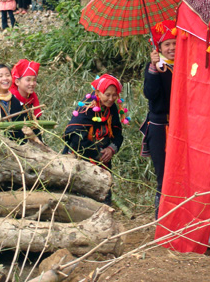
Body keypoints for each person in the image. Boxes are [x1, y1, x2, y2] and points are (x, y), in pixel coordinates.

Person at [63, 74, 127, 204]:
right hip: (81, 159)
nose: (110, 99)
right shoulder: (86, 108)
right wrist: (97, 153)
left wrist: (111, 149)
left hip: (103, 160)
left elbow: (117, 134)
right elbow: (75, 136)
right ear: (98, 92)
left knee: (103, 197)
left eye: (114, 95)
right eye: (107, 94)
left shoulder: (112, 108)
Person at [141, 21, 176, 218]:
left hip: (181, 126)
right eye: (166, 44)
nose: (171, 48)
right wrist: (154, 66)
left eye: (174, 43)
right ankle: (161, 216)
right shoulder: (155, 67)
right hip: (160, 126)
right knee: (163, 172)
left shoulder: (184, 65)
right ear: (158, 48)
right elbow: (150, 94)